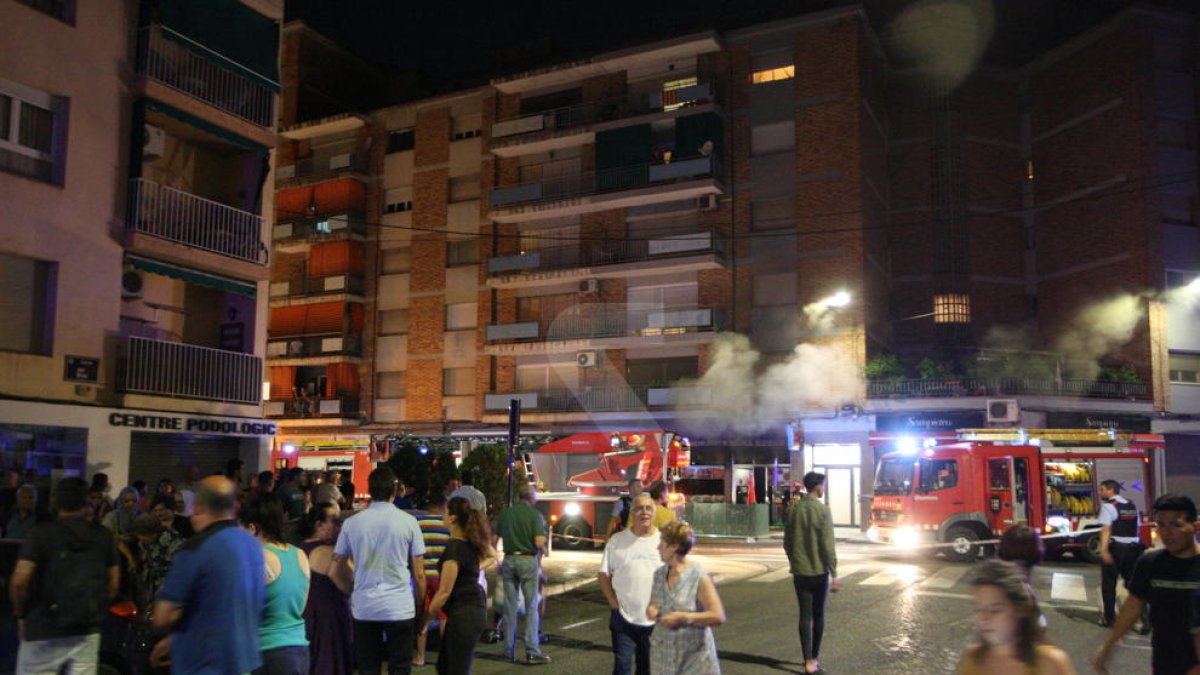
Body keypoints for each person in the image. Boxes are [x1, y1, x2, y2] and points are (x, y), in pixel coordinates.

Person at [150, 476, 267, 674]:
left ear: (197, 506)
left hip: (202, 663)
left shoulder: (195, 549)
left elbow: (162, 616)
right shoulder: (253, 545)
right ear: (234, 506)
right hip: (243, 661)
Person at [9, 477, 120, 673]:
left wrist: (21, 615)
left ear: (55, 502)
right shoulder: (103, 535)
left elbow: (19, 583)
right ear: (86, 501)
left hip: (43, 627)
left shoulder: (40, 533)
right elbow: (113, 584)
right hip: (86, 630)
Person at [330, 467, 427, 675]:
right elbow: (419, 574)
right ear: (394, 491)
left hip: (365, 605)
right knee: (400, 667)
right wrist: (421, 607)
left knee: (368, 667)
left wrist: (352, 589)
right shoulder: (409, 523)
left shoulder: (352, 523)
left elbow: (336, 567)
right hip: (400, 606)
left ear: (371, 491)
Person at [1094, 494, 1200, 675]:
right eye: (1161, 525)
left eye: (1175, 525)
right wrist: (1109, 644)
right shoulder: (1151, 563)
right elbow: (1134, 604)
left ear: (1195, 527)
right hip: (1163, 662)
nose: (1166, 533)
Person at [956, 559, 1076, 674]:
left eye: (995, 610)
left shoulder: (1050, 664)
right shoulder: (973, 659)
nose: (984, 618)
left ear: (1019, 609)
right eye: (979, 609)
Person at [240, 493, 311, 675]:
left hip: (267, 653)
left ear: (252, 528)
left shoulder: (257, 558)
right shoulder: (300, 554)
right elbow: (300, 606)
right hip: (298, 650)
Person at [426, 496, 495, 675]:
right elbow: (492, 554)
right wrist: (472, 569)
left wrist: (424, 620)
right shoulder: (469, 542)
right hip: (469, 611)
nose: (443, 516)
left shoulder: (455, 548)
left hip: (465, 614)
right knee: (445, 666)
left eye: (446, 512)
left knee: (456, 669)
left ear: (453, 518)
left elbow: (444, 592)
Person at [647, 520, 725, 675]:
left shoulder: (698, 575)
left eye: (662, 543)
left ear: (674, 546)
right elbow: (653, 604)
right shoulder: (659, 575)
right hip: (663, 660)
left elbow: (718, 616)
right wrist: (651, 610)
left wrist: (684, 618)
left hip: (694, 662)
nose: (658, 547)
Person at [783, 471, 840, 675]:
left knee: (804, 616)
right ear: (817, 487)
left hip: (800, 571)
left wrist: (795, 561)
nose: (823, 489)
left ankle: (806, 660)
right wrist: (834, 572)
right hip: (818, 571)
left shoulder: (793, 510)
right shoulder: (823, 511)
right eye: (822, 486)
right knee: (818, 615)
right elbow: (827, 545)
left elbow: (787, 543)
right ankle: (814, 659)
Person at [599, 494, 661, 675]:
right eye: (639, 508)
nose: (644, 512)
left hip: (654, 622)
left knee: (647, 669)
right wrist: (614, 605)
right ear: (631, 513)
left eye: (649, 508)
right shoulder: (617, 541)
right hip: (623, 618)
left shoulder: (663, 541)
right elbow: (603, 575)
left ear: (654, 513)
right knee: (622, 666)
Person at [496, 483, 551, 665]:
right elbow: (538, 541)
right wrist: (545, 548)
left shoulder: (506, 514)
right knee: (531, 606)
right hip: (528, 561)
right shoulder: (535, 515)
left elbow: (494, 540)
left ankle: (508, 650)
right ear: (531, 498)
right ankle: (532, 651)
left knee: (509, 607)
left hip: (509, 559)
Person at [299, 502, 353, 675]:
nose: (339, 526)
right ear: (319, 525)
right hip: (330, 622)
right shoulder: (328, 553)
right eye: (335, 521)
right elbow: (350, 582)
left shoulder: (298, 550)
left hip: (307, 619)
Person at [1097, 479, 1144, 628]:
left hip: (1116, 548)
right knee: (1134, 585)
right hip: (1134, 549)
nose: (1100, 492)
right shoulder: (1131, 505)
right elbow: (1137, 526)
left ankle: (1109, 619)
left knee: (1109, 584)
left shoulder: (1108, 506)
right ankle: (1145, 618)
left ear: (1111, 490)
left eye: (1102, 489)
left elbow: (1106, 529)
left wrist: (1104, 550)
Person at [415, 493, 450, 667]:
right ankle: (445, 656)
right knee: (444, 616)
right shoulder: (447, 525)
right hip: (442, 577)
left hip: (423, 576)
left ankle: (420, 657)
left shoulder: (418, 524)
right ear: (443, 506)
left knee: (424, 616)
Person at [131, 511, 184, 613]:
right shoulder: (144, 542)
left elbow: (176, 570)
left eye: (143, 535)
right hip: (149, 587)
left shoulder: (173, 540)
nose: (140, 538)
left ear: (154, 532)